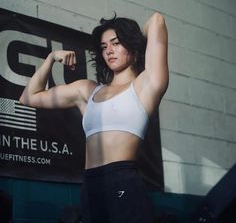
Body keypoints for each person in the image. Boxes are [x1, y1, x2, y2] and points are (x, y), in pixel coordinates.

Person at [20, 12, 169, 223]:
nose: (109, 50)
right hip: (90, 183)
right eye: (104, 46)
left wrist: (134, 41)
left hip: (123, 181)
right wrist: (51, 58)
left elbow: (157, 20)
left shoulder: (146, 85)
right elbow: (28, 97)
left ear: (132, 45)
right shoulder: (87, 91)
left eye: (116, 43)